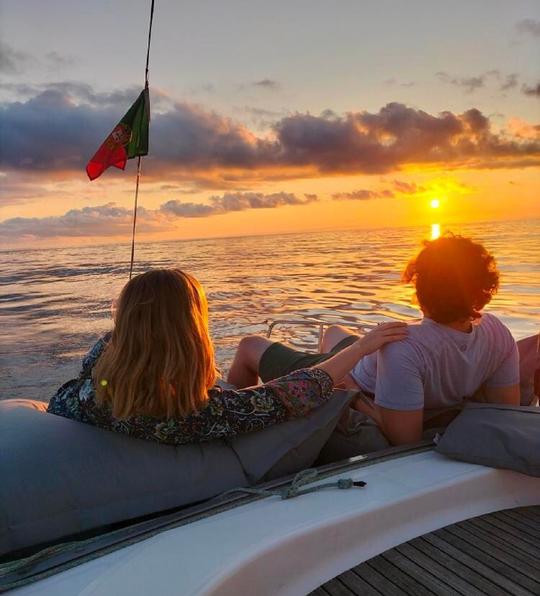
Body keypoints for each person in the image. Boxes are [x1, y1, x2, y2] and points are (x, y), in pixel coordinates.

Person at [47, 269, 407, 445]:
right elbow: (296, 392)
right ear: (190, 332)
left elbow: (111, 351)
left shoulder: (92, 388)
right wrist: (361, 347)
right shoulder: (191, 416)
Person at [228, 234, 520, 447]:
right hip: (371, 353)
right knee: (332, 332)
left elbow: (403, 438)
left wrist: (351, 389)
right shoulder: (498, 332)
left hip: (351, 372)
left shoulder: (405, 347)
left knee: (249, 345)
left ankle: (238, 440)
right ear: (482, 290)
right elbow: (505, 409)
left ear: (421, 289)